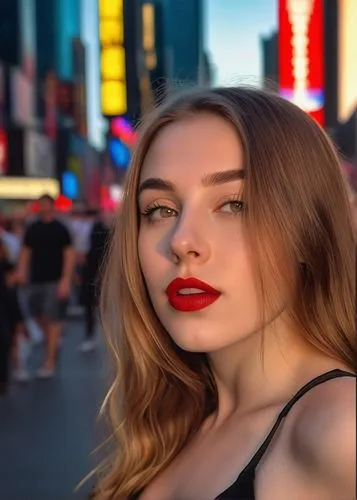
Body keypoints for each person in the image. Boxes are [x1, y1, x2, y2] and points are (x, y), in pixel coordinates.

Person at [94, 87, 356, 500]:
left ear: (310, 231)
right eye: (160, 209)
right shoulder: (176, 423)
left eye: (234, 204)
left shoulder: (340, 427)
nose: (182, 242)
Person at [17, 194, 74, 378]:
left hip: (54, 280)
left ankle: (49, 362)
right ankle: (52, 340)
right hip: (35, 280)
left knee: (53, 318)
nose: (44, 208)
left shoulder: (60, 229)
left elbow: (69, 254)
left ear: (52, 206)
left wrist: (66, 279)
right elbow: (26, 251)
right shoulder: (32, 228)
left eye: (46, 204)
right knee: (36, 315)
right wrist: (22, 271)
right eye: (41, 205)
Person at [79, 209, 109, 352]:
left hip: (106, 270)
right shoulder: (89, 227)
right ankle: (91, 334)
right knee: (90, 303)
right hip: (92, 270)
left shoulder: (109, 228)